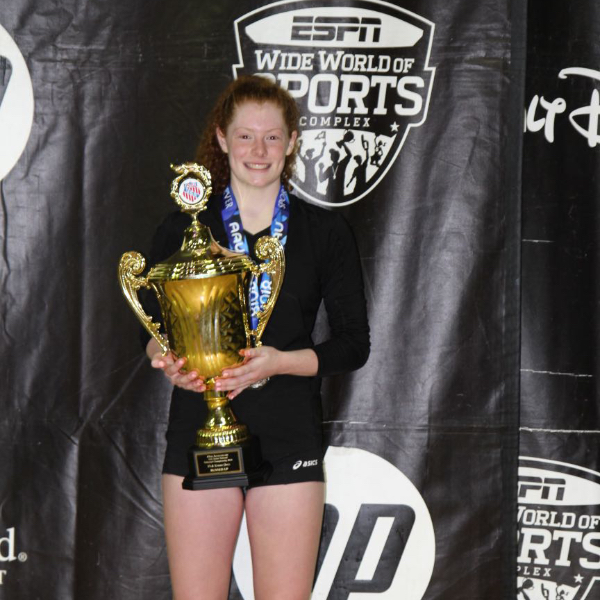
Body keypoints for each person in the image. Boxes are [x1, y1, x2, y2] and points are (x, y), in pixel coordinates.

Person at [144, 75, 370, 600]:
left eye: (272, 137)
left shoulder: (323, 232)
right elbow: (152, 331)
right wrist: (170, 360)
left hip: (288, 430)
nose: (259, 150)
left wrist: (277, 362)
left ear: (292, 143)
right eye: (246, 136)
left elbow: (352, 344)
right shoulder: (185, 230)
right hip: (200, 427)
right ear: (222, 139)